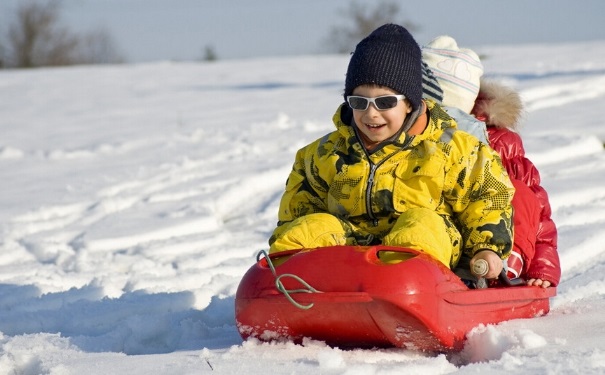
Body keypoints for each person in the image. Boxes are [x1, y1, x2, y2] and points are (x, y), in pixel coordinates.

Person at [268, 24, 515, 280]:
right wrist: (294, 240)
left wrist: (487, 249)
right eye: (359, 102)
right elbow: (299, 212)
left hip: (427, 255)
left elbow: (486, 198)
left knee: (421, 225)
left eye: (384, 102)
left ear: (409, 103)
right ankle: (288, 285)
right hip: (348, 250)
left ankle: (402, 286)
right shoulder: (324, 154)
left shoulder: (453, 149)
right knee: (309, 229)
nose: (371, 113)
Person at [421, 35, 561, 288]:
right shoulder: (413, 137)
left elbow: (537, 210)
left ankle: (505, 265)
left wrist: (543, 267)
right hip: (439, 240)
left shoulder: (499, 142)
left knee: (518, 193)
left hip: (498, 242)